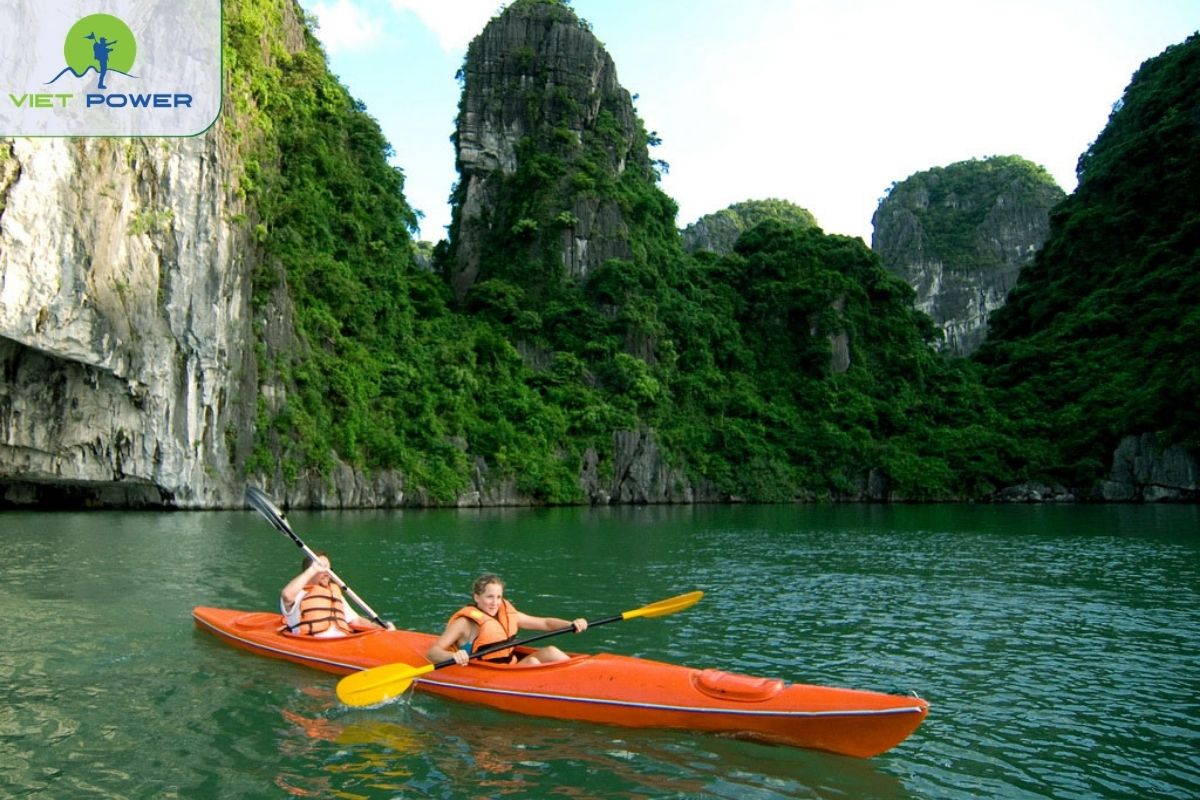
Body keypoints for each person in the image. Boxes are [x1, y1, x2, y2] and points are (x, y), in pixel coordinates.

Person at [427, 573, 587, 666]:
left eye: (498, 597)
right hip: (490, 674)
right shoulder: (464, 623)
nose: (495, 603)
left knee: (551, 651)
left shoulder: (508, 615)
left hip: (511, 666)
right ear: (477, 597)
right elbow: (433, 653)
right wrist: (454, 657)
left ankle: (583, 677)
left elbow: (545, 623)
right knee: (532, 663)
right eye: (489, 597)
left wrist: (572, 624)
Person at [280, 552, 393, 637]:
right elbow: (286, 595)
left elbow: (356, 620)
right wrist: (313, 569)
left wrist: (381, 628)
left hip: (344, 641)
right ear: (309, 571)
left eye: (330, 570)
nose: (327, 574)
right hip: (314, 644)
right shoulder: (298, 594)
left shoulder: (334, 594)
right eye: (322, 569)